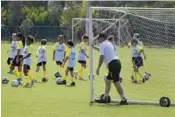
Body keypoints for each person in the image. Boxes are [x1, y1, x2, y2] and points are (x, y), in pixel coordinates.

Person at [94, 33, 127, 105]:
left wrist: (98, 67)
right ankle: (105, 98)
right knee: (108, 81)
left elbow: (102, 56)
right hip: (115, 63)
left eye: (99, 38)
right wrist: (93, 47)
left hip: (113, 64)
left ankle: (123, 99)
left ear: (102, 38)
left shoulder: (102, 44)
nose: (98, 39)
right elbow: (103, 51)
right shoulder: (109, 43)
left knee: (116, 82)